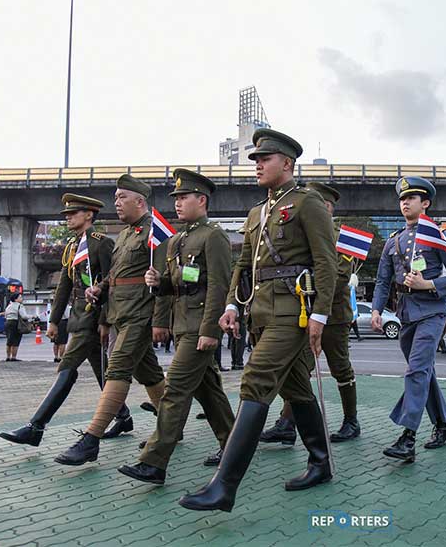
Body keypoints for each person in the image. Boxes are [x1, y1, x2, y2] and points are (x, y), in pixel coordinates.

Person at [178, 129, 337, 512]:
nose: (258, 165)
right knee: (296, 389)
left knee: (255, 380)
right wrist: (232, 305)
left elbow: (326, 261)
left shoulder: (307, 203)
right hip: (261, 312)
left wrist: (320, 313)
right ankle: (321, 463)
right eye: (256, 160)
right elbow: (244, 265)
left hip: (294, 311)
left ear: (287, 163)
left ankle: (223, 487)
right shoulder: (256, 213)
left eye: (265, 159)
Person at [118, 168, 236, 485]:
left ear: (202, 200)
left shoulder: (213, 236)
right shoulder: (178, 240)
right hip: (183, 325)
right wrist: (160, 282)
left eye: (184, 197)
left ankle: (153, 463)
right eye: (176, 198)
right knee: (210, 393)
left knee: (174, 392)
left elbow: (219, 286)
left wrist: (210, 330)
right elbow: (180, 283)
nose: (178, 203)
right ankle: (234, 446)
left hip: (199, 327)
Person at [0, 194, 134, 448]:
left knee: (67, 366)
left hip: (93, 318)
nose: (68, 218)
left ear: (89, 215)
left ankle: (36, 427)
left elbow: (111, 284)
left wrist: (105, 321)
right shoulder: (73, 245)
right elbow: (64, 286)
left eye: (73, 213)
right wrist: (53, 320)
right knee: (103, 372)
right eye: (67, 214)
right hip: (79, 316)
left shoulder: (101, 243)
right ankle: (123, 416)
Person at [54, 176, 170, 465]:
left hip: (140, 314)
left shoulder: (154, 233)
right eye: (116, 198)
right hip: (121, 313)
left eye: (122, 197)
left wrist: (160, 320)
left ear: (139, 202)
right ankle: (170, 427)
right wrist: (100, 288)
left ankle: (91, 439)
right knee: (149, 374)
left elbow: (164, 281)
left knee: (116, 369)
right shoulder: (126, 234)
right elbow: (116, 275)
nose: (116, 203)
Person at [369, 176, 446, 462]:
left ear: (425, 203)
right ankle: (444, 426)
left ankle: (408, 437)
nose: (405, 203)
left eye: (411, 198)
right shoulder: (393, 241)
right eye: (402, 199)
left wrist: (429, 284)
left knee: (416, 371)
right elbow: (383, 281)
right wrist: (376, 310)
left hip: (433, 311)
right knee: (424, 372)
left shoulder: (436, 235)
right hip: (406, 313)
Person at [258, 182, 361, 447]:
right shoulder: (302, 231)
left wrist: (306, 285)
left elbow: (339, 277)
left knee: (340, 368)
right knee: (298, 369)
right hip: (303, 312)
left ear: (326, 207)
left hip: (333, 315)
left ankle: (351, 420)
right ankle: (287, 423)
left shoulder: (341, 238)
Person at [4, 293, 32, 362]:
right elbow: (24, 316)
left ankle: (8, 357)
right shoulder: (20, 306)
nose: (22, 299)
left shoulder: (9, 306)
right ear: (16, 299)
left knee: (9, 341)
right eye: (20, 297)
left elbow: (5, 315)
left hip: (8, 323)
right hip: (15, 323)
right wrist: (32, 316)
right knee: (16, 341)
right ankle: (13, 357)